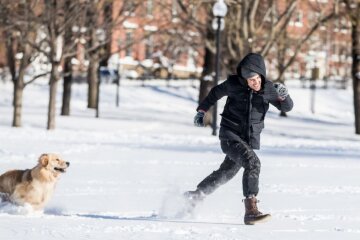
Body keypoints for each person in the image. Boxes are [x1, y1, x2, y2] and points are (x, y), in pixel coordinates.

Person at [185, 53, 293, 225]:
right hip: (230, 135)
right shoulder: (234, 84)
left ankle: (195, 196)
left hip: (247, 140)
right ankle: (251, 210)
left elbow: (286, 107)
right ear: (244, 79)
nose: (254, 82)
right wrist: (201, 111)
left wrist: (284, 95)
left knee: (226, 173)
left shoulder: (269, 89)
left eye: (256, 78)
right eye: (250, 80)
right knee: (253, 163)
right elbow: (214, 93)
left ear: (261, 75)